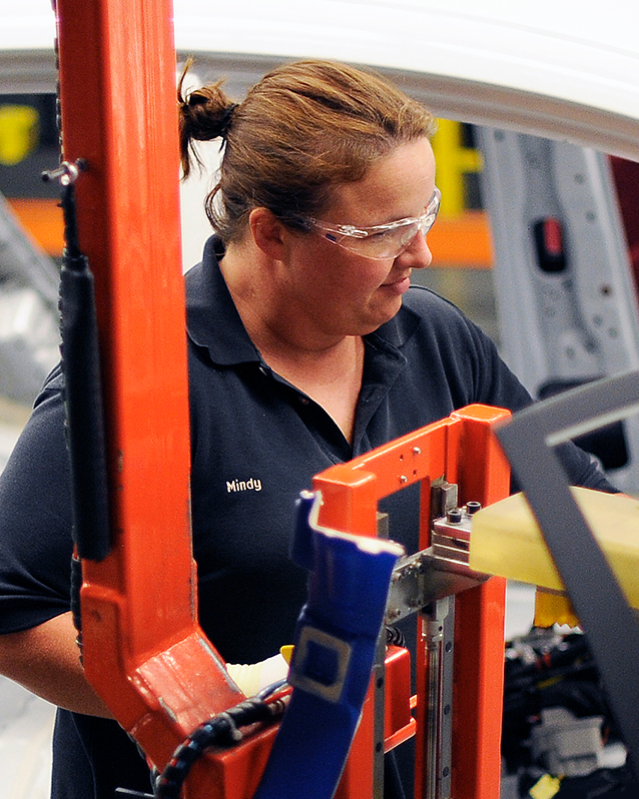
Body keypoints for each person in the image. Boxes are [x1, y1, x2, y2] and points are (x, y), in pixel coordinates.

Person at [0, 59, 617, 799]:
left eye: (424, 215)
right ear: (271, 234)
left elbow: (573, 501)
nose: (417, 255)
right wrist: (227, 698)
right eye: (384, 231)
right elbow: (15, 612)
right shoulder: (136, 381)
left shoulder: (432, 337)